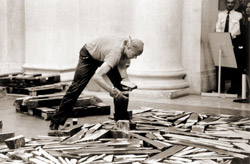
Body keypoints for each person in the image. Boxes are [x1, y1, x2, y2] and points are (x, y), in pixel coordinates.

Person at [49, 36, 144, 130]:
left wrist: (127, 82)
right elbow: (97, 77)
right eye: (135, 54)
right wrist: (113, 92)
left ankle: (122, 120)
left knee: (122, 87)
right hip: (89, 55)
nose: (135, 57)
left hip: (104, 56)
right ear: (128, 47)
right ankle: (56, 121)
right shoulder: (115, 53)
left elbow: (122, 68)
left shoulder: (125, 48)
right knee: (76, 88)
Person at [216, 0, 243, 94]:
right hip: (221, 41)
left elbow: (238, 29)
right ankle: (220, 87)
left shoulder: (239, 15)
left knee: (234, 64)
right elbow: (218, 27)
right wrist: (221, 37)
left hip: (233, 41)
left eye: (232, 3)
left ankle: (234, 88)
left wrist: (229, 36)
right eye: (228, 2)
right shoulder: (220, 15)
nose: (230, 4)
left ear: (234, 4)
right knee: (220, 63)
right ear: (225, 3)